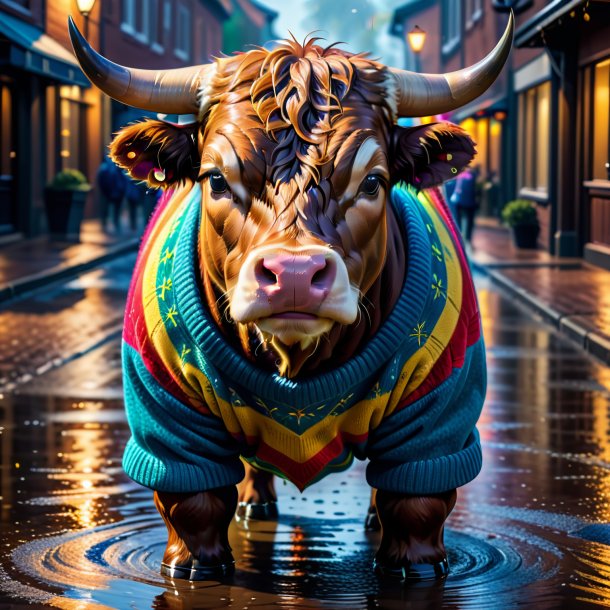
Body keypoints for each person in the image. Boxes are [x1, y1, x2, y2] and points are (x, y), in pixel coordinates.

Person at [450, 166, 479, 246]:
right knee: (470, 221)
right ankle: (468, 238)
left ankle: (459, 236)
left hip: (460, 201)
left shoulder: (458, 175)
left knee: (458, 219)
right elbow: (476, 189)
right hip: (470, 202)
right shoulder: (473, 175)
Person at [96, 156, 127, 232]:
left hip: (109, 192)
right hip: (116, 192)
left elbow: (100, 181)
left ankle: (105, 225)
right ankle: (115, 225)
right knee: (115, 209)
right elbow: (124, 179)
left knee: (106, 209)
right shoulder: (117, 168)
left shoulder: (104, 167)